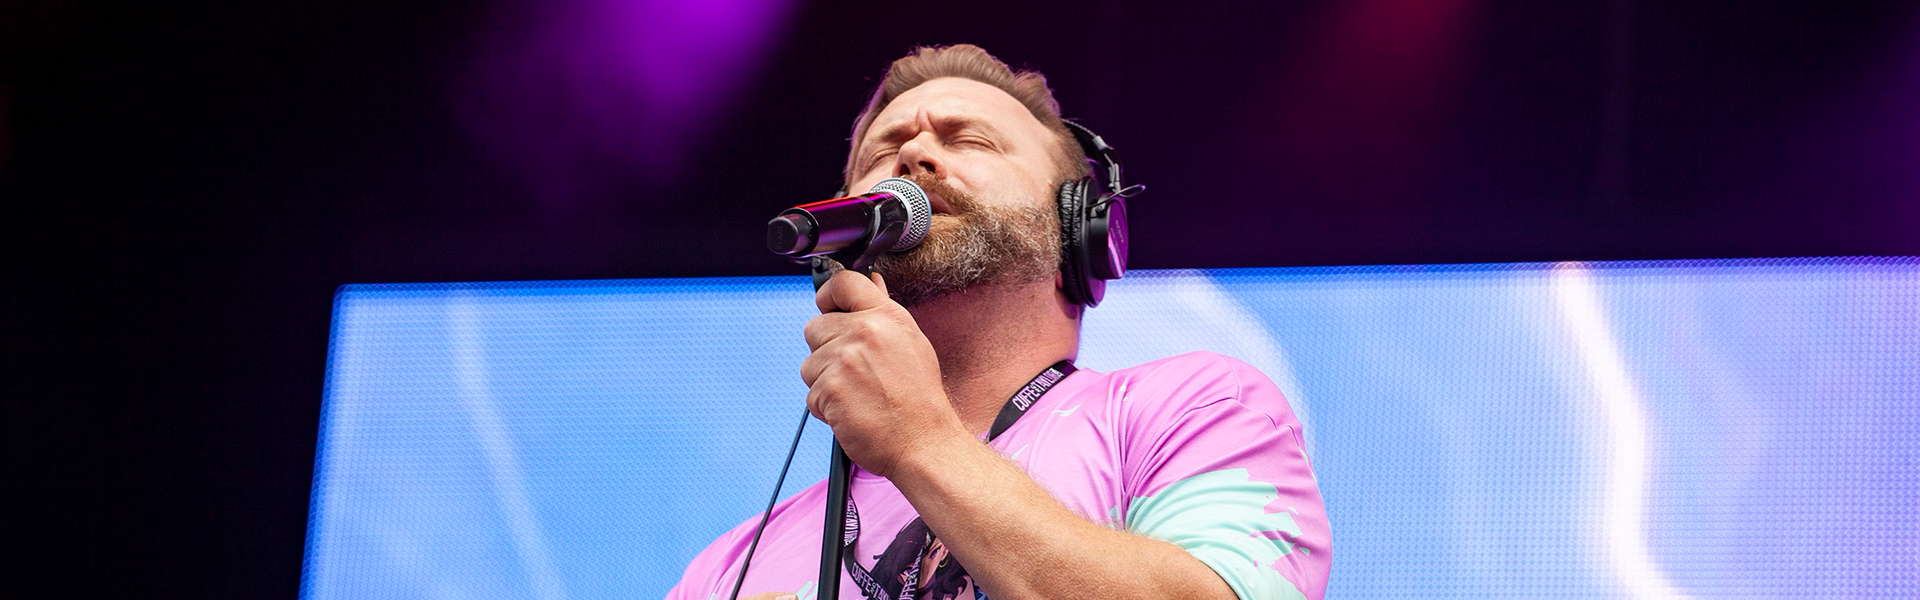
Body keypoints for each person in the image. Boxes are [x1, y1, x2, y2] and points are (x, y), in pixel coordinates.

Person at [669, 44, 1330, 600]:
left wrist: (923, 442)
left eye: (970, 141)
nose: (915, 159)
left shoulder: (1196, 410)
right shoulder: (727, 570)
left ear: (1079, 230)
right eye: (885, 152)